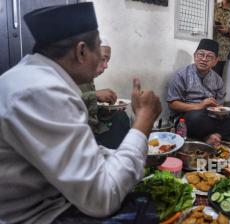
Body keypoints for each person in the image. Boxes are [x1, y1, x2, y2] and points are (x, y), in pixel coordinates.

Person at [0, 3, 161, 224]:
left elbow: (80, 151)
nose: (102, 64)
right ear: (82, 51)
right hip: (37, 215)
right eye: (99, 52)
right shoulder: (42, 91)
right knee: (149, 210)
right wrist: (144, 119)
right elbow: (102, 199)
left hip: (52, 196)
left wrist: (136, 157)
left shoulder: (34, 75)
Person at [167, 38, 230, 143]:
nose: (204, 59)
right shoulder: (181, 75)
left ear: (215, 61)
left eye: (209, 57)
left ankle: (213, 135)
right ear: (195, 56)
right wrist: (199, 106)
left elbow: (219, 106)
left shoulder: (217, 79)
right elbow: (173, 104)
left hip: (210, 116)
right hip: (187, 116)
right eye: (201, 55)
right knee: (194, 118)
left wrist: (221, 110)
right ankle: (218, 134)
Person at [79, 37, 130, 149]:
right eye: (103, 59)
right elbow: (66, 104)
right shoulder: (70, 74)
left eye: (108, 61)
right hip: (80, 136)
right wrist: (95, 95)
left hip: (92, 129)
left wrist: (109, 110)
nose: (106, 66)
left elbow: (90, 111)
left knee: (120, 116)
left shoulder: (88, 78)